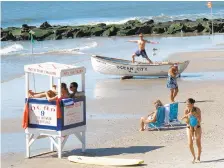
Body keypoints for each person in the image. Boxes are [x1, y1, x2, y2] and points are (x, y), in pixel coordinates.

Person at [181, 98, 202, 164]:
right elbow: (186, 121)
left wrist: (195, 116)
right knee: (190, 144)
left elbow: (200, 120)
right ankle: (194, 157)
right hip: (189, 126)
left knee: (198, 142)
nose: (187, 105)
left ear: (192, 104)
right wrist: (188, 117)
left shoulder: (197, 109)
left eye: (188, 104)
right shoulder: (186, 111)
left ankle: (198, 157)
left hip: (197, 126)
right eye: (186, 104)